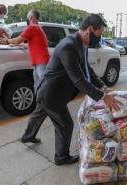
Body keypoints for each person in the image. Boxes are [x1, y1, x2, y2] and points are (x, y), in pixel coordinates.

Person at [35, 14, 120, 166]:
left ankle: (31, 136)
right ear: (89, 30)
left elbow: (88, 70)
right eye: (98, 35)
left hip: (56, 92)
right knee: (66, 124)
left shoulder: (81, 44)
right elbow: (79, 80)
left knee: (55, 121)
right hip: (51, 94)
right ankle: (61, 157)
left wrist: (104, 87)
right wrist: (103, 97)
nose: (99, 39)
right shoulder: (69, 46)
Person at [0, 10, 50, 143]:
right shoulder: (37, 28)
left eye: (28, 16)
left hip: (41, 64)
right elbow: (29, 43)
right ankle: (34, 127)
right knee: (40, 93)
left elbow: (18, 40)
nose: (26, 18)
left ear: (32, 17)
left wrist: (8, 40)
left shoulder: (32, 27)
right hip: (39, 64)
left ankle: (45, 111)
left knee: (44, 94)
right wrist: (15, 43)